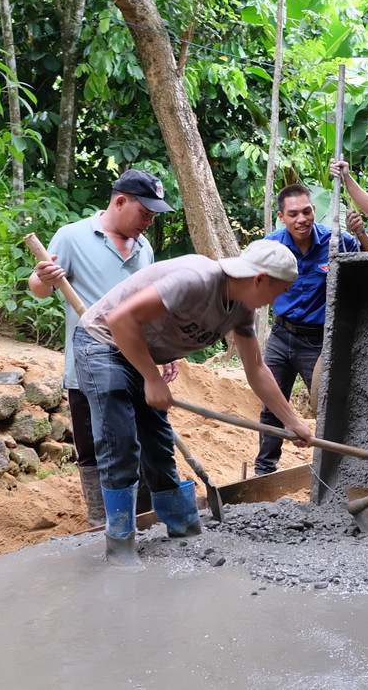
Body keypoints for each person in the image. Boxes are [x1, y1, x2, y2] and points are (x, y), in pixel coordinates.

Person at [74, 240, 314, 564]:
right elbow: (119, 320)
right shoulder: (196, 280)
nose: (277, 299)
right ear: (260, 280)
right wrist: (152, 377)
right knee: (121, 446)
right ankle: (120, 549)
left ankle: (184, 531)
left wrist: (291, 421)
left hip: (137, 352)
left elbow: (256, 368)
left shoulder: (242, 308)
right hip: (101, 343)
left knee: (158, 445)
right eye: (279, 290)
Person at [27, 169, 175, 526]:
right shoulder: (73, 236)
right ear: (120, 201)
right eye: (145, 212)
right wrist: (42, 277)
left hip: (137, 364)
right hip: (89, 366)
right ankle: (103, 519)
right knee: (96, 446)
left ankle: (141, 515)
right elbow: (40, 286)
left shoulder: (145, 249)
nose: (149, 221)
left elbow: (150, 309)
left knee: (142, 440)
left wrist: (166, 353)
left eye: (154, 215)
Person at [253, 183, 368, 476]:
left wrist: (360, 232)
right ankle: (264, 471)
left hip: (319, 343)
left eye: (306, 212)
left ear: (314, 210)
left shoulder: (336, 243)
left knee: (328, 408)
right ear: (282, 217)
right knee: (271, 407)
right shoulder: (271, 247)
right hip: (281, 337)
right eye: (293, 214)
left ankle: (332, 472)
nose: (301, 219)